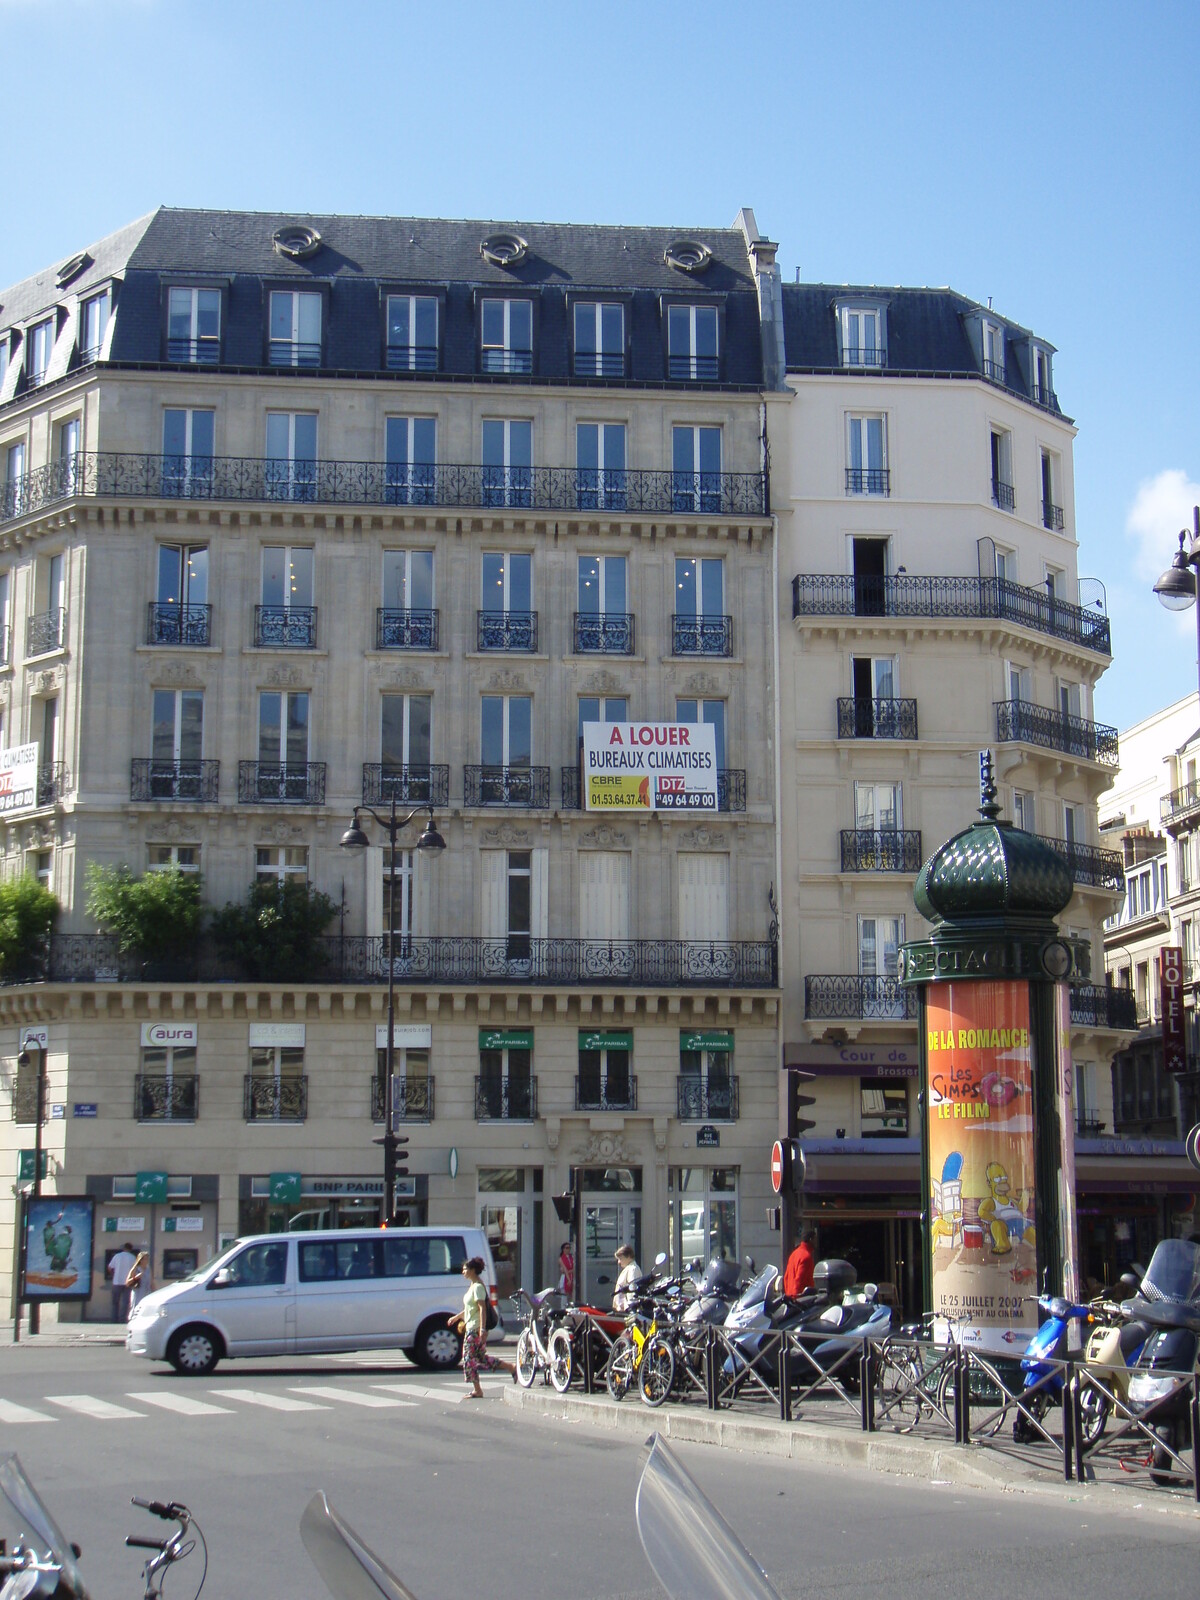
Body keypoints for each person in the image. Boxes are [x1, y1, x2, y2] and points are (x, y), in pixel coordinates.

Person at [450, 1256, 515, 1398]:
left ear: (473, 1270)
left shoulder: (478, 1287)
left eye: (465, 1269)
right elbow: (470, 1309)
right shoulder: (473, 1286)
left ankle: (477, 1390)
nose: (463, 1271)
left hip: (475, 1329)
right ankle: (510, 1367)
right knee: (481, 1358)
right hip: (471, 1327)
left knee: (468, 1358)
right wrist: (456, 1317)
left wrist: (482, 1329)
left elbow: (482, 1309)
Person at [108, 1241, 137, 1322]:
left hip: (116, 1282)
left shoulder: (117, 1256)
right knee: (125, 1303)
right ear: (131, 1249)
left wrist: (113, 1275)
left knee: (115, 1303)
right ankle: (122, 1319)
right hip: (128, 1283)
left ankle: (114, 1319)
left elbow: (110, 1267)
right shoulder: (132, 1257)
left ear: (124, 1248)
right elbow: (135, 1270)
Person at [783, 1229, 816, 1298]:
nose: (816, 1242)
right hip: (801, 1299)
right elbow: (799, 1280)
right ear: (810, 1239)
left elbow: (786, 1277)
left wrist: (789, 1295)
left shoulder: (794, 1254)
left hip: (790, 1296)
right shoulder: (806, 1256)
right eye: (815, 1239)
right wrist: (796, 1297)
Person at [612, 1244, 642, 1312]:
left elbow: (632, 1290)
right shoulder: (629, 1268)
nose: (619, 1262)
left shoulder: (632, 1269)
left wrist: (631, 1308)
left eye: (620, 1259)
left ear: (628, 1256)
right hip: (622, 1310)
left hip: (627, 1311)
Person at [126, 1251, 152, 1317]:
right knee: (137, 1309)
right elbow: (127, 1282)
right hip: (138, 1292)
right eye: (145, 1259)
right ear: (141, 1260)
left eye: (148, 1259)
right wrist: (136, 1277)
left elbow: (151, 1281)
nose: (147, 1261)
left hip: (147, 1292)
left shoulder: (148, 1269)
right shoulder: (135, 1269)